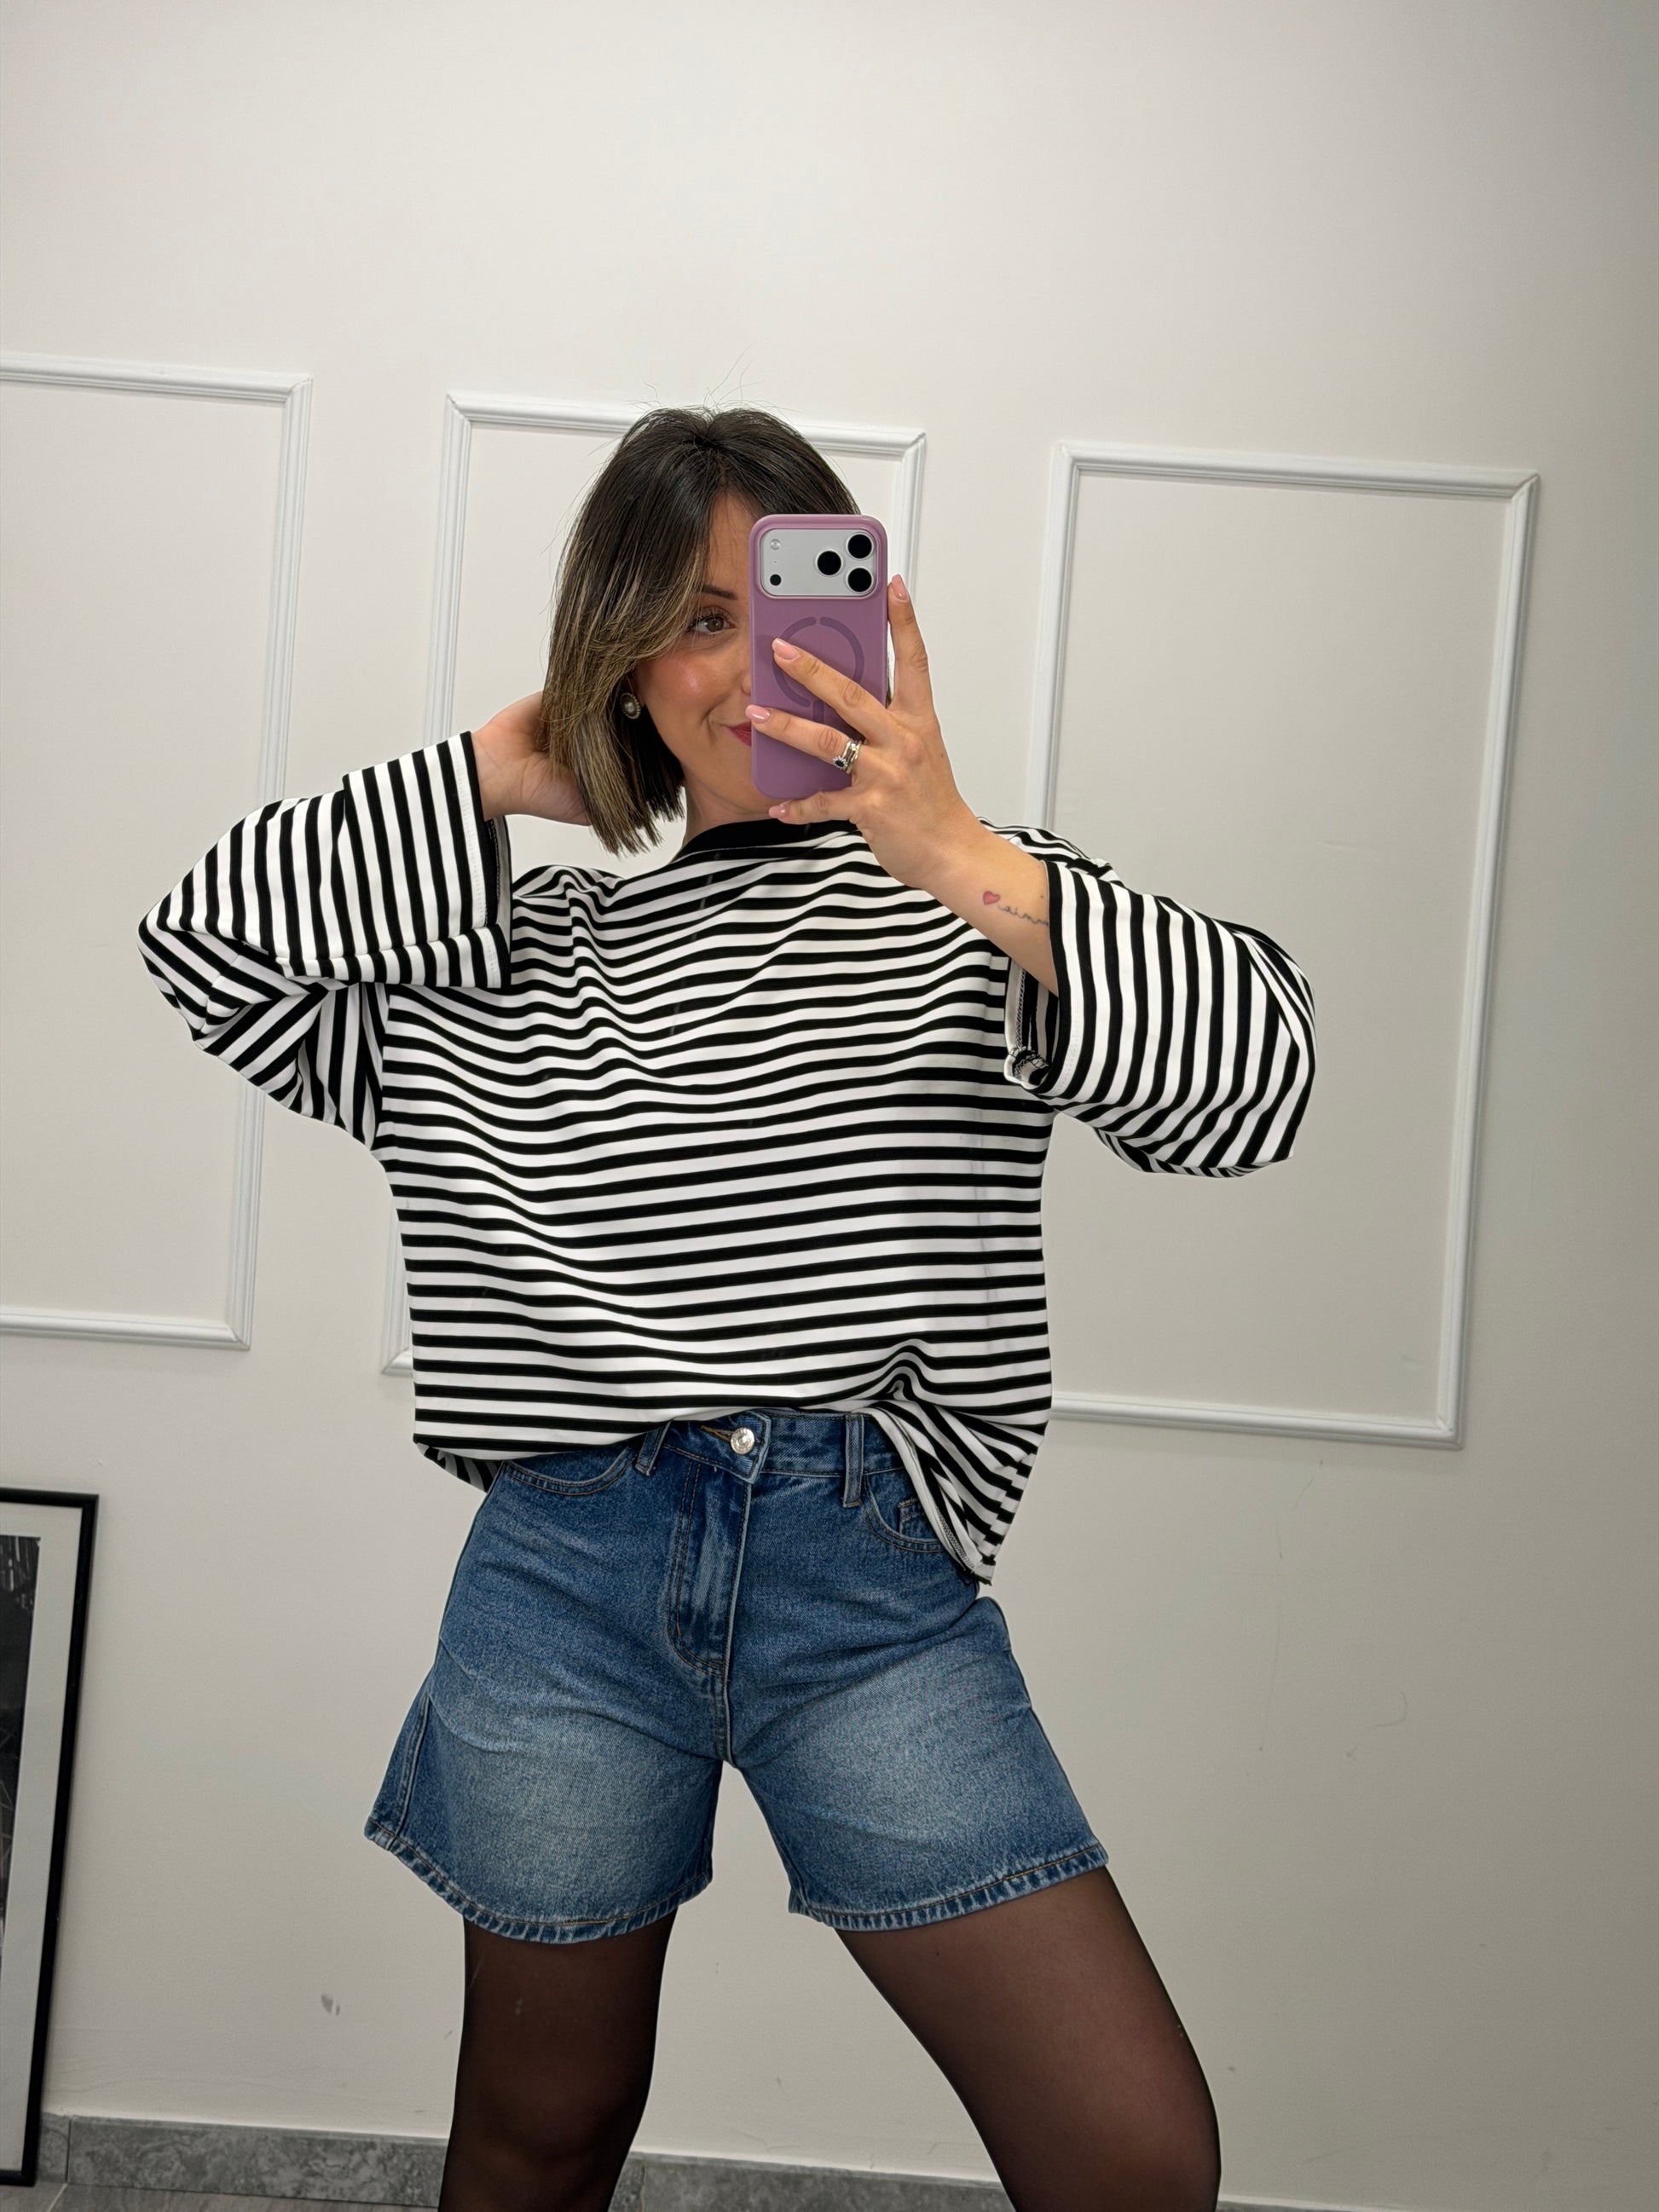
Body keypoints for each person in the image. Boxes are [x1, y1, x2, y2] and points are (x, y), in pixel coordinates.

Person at [139, 406, 1315, 2212]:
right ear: (618, 660)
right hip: (563, 1587)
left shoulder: (977, 911)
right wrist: (499, 766)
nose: (753, 661)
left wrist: (954, 843)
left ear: (870, 624)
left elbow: (1255, 1085)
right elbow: (202, 940)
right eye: (693, 618)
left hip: (868, 1597)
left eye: (786, 602)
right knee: (536, 2138)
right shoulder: (497, 956)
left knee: (1130, 2154)